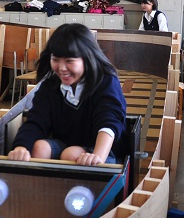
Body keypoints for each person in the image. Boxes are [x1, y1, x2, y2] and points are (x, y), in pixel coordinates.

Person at [8, 23, 127, 166]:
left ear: (88, 58)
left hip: (102, 151)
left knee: (70, 154)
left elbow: (109, 121)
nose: (62, 68)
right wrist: (21, 147)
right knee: (39, 147)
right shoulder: (50, 86)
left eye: (69, 61)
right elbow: (36, 121)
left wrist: (97, 156)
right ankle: (37, 186)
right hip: (66, 145)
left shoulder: (106, 81)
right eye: (56, 60)